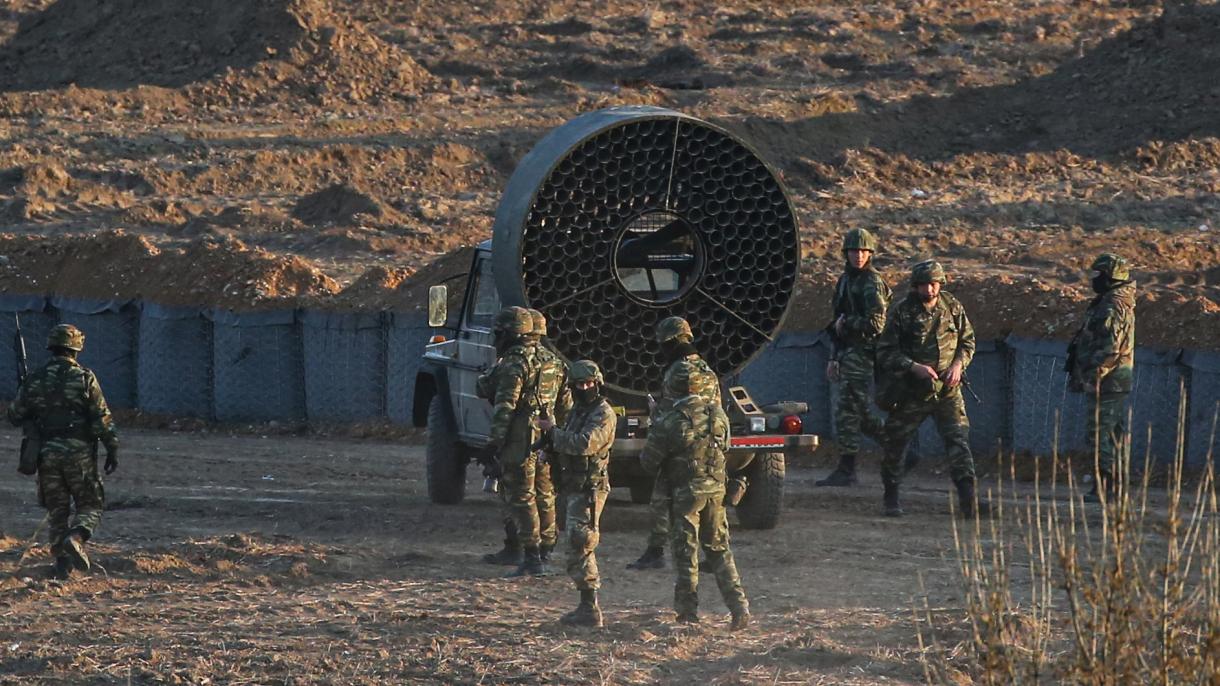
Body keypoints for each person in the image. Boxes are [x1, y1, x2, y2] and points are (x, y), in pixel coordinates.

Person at [640, 366, 750, 630]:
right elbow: (725, 447)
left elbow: (648, 462)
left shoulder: (670, 420)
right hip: (716, 491)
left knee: (686, 555)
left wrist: (654, 425)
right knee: (720, 550)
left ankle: (688, 614)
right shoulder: (719, 415)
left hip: (686, 494)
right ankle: (739, 608)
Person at [875, 260, 987, 518]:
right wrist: (913, 367)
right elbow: (885, 352)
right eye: (924, 285)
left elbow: (967, 341)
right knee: (896, 443)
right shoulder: (902, 312)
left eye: (934, 284)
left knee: (958, 440)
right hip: (912, 391)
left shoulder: (952, 307)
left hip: (948, 391)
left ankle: (968, 500)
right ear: (915, 286)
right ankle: (891, 495)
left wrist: (958, 365)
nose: (929, 289)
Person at [7, 324, 119, 579]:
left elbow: (14, 415)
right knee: (91, 504)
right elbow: (102, 418)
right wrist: (112, 448)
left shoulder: (35, 378)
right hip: (79, 453)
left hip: (47, 454)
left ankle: (61, 564)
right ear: (76, 349)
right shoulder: (84, 377)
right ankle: (76, 537)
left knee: (57, 510)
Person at [627, 315, 721, 571]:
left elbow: (671, 415)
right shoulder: (707, 371)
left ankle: (656, 551)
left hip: (680, 446)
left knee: (660, 497)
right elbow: (716, 410)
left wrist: (654, 413)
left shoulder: (678, 371)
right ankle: (715, 556)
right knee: (711, 504)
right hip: (708, 446)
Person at [537, 360, 616, 627]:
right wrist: (548, 448)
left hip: (589, 488)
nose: (585, 388)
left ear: (598, 383)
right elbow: (567, 441)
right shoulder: (577, 411)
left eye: (589, 384)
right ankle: (586, 605)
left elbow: (585, 444)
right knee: (574, 544)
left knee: (581, 543)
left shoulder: (602, 413)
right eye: (579, 384)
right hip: (572, 486)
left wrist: (553, 433)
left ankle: (590, 607)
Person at [479, 306, 550, 576]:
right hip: (544, 434)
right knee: (544, 494)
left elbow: (505, 406)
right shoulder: (551, 361)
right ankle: (544, 550)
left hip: (520, 438)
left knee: (519, 495)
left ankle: (531, 556)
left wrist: (493, 443)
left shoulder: (514, 363)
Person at [818, 228, 891, 487]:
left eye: (863, 251)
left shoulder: (871, 282)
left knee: (851, 410)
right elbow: (836, 323)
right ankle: (852, 466)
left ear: (870, 254)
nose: (858, 256)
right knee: (850, 411)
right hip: (849, 352)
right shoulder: (845, 281)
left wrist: (848, 323)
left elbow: (877, 324)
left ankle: (891, 448)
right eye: (853, 251)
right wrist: (834, 358)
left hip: (866, 352)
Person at [1066, 253, 1136, 503]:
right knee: (1112, 434)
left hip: (1107, 380)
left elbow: (1111, 347)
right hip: (1110, 379)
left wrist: (1094, 375)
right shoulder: (1109, 302)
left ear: (1111, 277)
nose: (1095, 280)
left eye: (1100, 275)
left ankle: (1107, 487)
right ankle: (1114, 486)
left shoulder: (1112, 306)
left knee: (1099, 434)